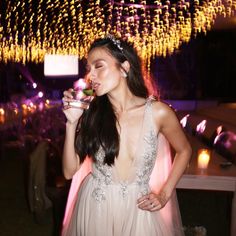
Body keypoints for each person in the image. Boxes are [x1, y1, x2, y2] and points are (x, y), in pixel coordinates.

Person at [61, 35, 192, 236]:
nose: (91, 76)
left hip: (139, 210)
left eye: (99, 66)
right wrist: (72, 123)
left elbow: (184, 150)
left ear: (124, 68)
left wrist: (164, 195)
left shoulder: (158, 113)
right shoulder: (92, 113)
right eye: (89, 69)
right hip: (97, 209)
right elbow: (69, 172)